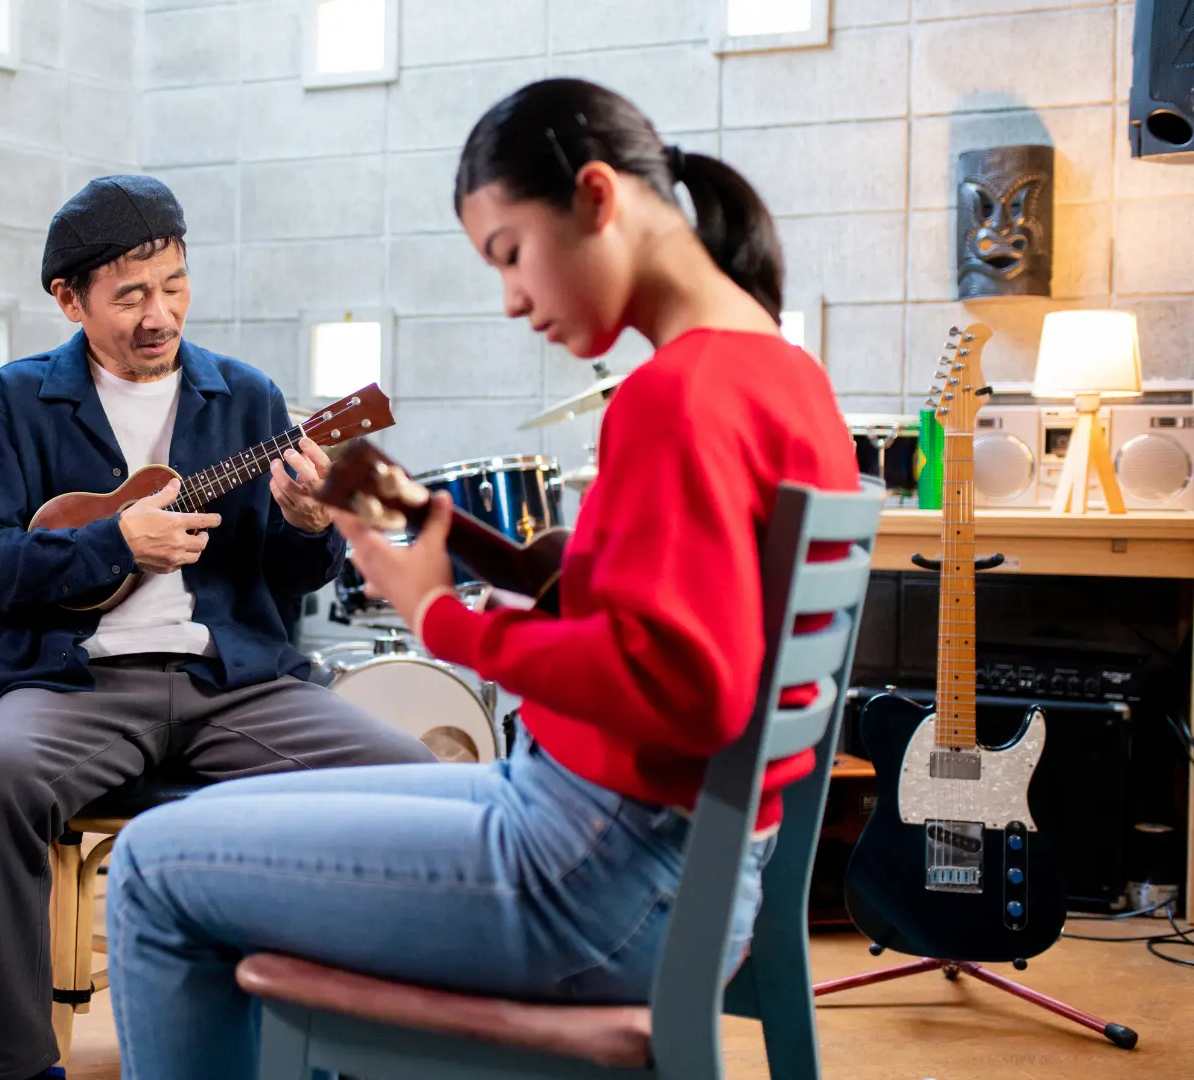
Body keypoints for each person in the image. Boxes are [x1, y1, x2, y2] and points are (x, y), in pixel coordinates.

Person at [103, 78, 861, 1079]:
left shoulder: (678, 397)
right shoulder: (781, 375)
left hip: (598, 876)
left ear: (597, 197)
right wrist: (450, 537)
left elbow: (691, 686)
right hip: (659, 856)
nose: (510, 298)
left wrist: (437, 611)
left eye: (510, 254)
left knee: (152, 868)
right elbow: (673, 626)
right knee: (191, 833)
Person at [0, 174, 437, 1080]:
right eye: (129, 296)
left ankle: (361, 1051)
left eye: (173, 285)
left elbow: (291, 583)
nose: (158, 314)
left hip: (234, 682)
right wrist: (111, 543)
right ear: (69, 300)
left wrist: (308, 524)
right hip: (74, 684)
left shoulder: (245, 398)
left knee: (414, 782)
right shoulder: (11, 404)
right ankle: (15, 1069)